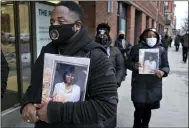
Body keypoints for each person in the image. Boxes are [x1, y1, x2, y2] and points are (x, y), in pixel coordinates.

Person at [20, 1, 118, 128]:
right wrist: (27, 102)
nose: (54, 26)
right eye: (52, 22)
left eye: (60, 22)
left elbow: (107, 106)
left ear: (77, 26)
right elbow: (36, 85)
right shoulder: (47, 50)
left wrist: (55, 112)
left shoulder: (96, 56)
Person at [126, 28, 170, 128]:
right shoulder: (136, 48)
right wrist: (133, 65)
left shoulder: (161, 50)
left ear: (157, 37)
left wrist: (163, 72)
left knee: (147, 109)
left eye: (154, 36)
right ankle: (136, 125)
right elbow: (127, 62)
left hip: (153, 85)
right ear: (143, 37)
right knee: (139, 107)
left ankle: (145, 125)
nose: (151, 38)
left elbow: (166, 66)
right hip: (139, 84)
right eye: (149, 36)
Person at [95, 23, 125, 87]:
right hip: (94, 85)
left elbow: (121, 68)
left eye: (104, 35)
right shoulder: (91, 49)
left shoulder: (115, 51)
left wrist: (116, 82)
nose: (102, 37)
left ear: (108, 36)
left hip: (110, 86)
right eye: (100, 35)